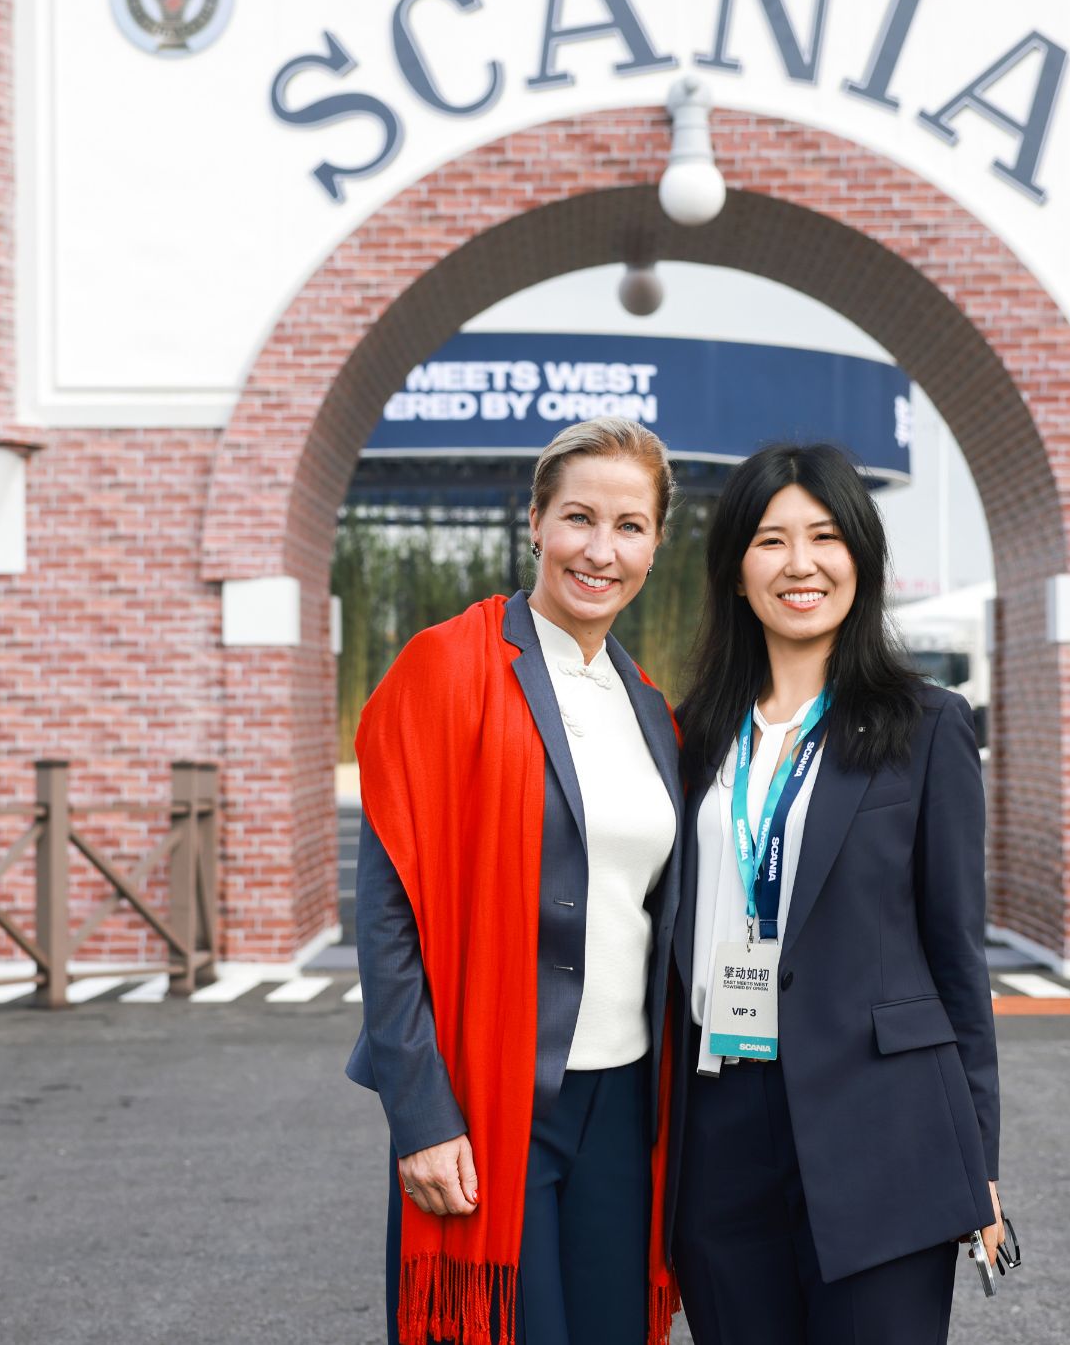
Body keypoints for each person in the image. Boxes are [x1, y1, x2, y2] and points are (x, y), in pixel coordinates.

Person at [347, 417, 684, 1345]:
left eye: (629, 526)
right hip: (495, 1098)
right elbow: (387, 917)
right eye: (579, 517)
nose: (601, 550)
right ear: (534, 520)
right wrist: (420, 1116)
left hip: (624, 1103)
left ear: (656, 543)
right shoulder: (446, 667)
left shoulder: (650, 706)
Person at [667, 442, 1002, 1345]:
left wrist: (980, 1158)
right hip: (721, 1124)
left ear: (861, 556)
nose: (800, 563)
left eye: (824, 535)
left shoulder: (928, 725)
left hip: (883, 1125)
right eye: (771, 540)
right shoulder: (690, 733)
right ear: (737, 570)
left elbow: (956, 955)